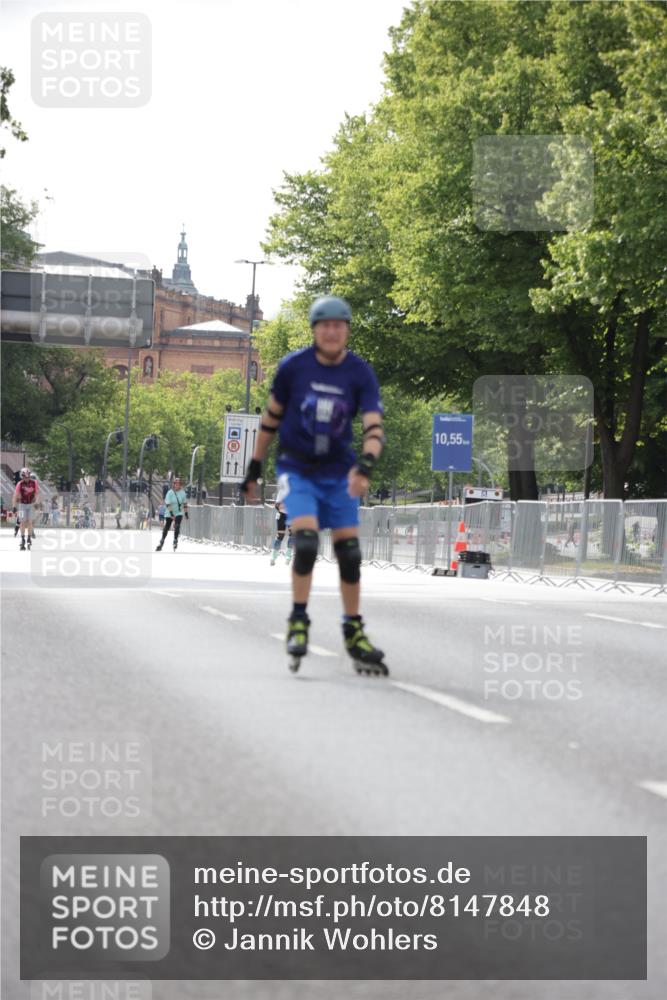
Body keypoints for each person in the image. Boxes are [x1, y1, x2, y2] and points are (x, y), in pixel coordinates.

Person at [240, 295, 387, 673]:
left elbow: (373, 427)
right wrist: (254, 469)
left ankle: (353, 630)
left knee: (350, 554)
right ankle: (298, 620)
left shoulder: (359, 373)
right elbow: (270, 420)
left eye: (339, 325)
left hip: (340, 472)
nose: (333, 332)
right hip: (298, 470)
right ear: (315, 330)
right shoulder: (294, 368)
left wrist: (366, 466)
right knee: (305, 544)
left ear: (347, 330)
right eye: (326, 325)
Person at [156, 476, 188, 551]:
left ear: (180, 485)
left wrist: (186, 513)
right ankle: (162, 541)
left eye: (178, 484)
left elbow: (185, 503)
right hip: (169, 512)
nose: (177, 485)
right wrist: (171, 514)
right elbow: (168, 504)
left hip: (178, 512)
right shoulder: (170, 493)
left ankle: (175, 540)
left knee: (177, 526)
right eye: (175, 484)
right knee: (167, 527)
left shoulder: (183, 493)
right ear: (174, 485)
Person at [13, 468, 39, 550]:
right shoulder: (19, 484)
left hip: (31, 504)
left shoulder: (34, 483)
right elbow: (15, 496)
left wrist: (37, 502)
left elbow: (37, 493)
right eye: (25, 477)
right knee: (22, 522)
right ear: (22, 477)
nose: (26, 479)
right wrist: (14, 506)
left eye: (28, 477)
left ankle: (29, 538)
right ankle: (22, 538)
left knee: (30, 522)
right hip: (21, 505)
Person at [270, 488, 293, 567]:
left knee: (293, 535)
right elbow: (278, 506)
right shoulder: (282, 490)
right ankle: (273, 556)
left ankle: (288, 555)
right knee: (280, 536)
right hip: (282, 515)